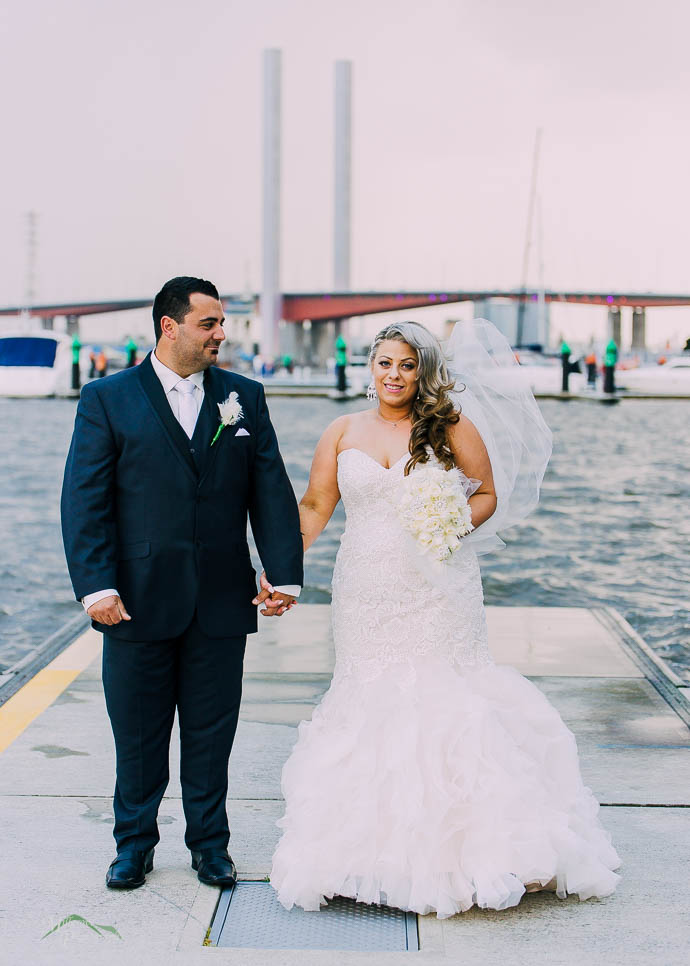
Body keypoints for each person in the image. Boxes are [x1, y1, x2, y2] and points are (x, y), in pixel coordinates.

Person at [270, 319, 621, 918]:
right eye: (385, 363)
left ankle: (468, 851)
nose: (395, 376)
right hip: (367, 588)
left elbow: (486, 493)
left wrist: (448, 524)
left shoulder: (450, 425)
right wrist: (280, 570)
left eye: (407, 365)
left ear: (422, 371)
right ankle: (370, 855)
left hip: (438, 586)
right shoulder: (341, 430)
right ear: (369, 366)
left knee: (445, 696)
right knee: (369, 697)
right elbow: (316, 504)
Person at [61, 276, 302, 891]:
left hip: (222, 599)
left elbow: (269, 491)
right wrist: (96, 587)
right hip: (135, 600)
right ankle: (133, 845)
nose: (222, 334)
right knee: (138, 735)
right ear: (170, 327)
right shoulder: (107, 398)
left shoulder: (244, 397)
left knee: (211, 735)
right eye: (210, 324)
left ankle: (210, 847)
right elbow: (84, 501)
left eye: (222, 324)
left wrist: (285, 576)